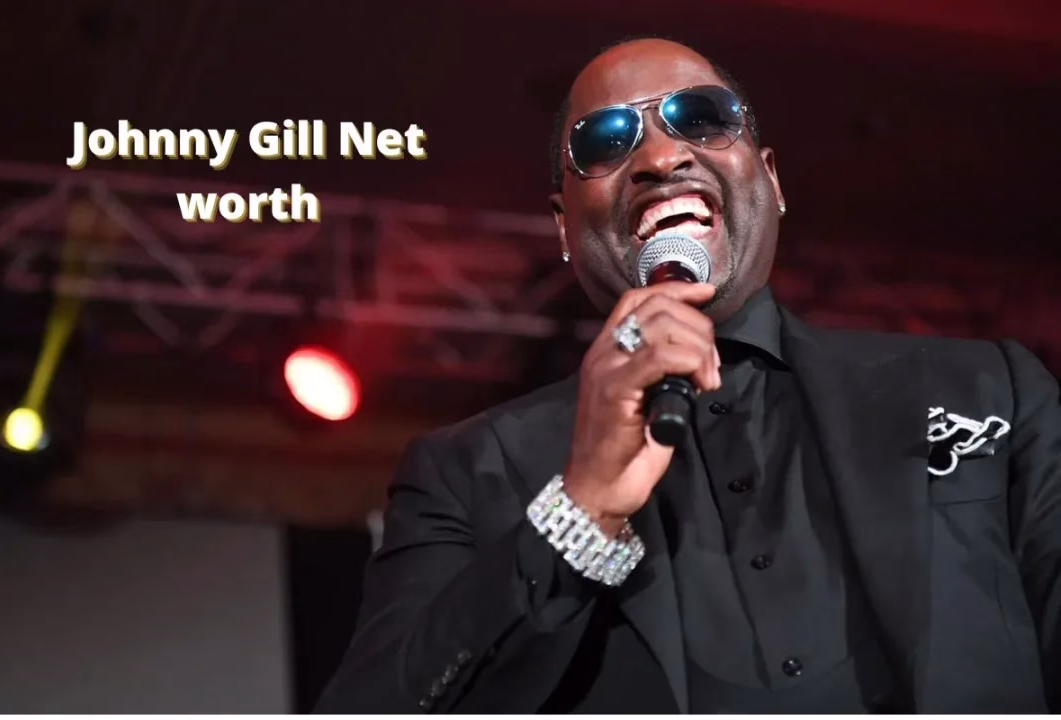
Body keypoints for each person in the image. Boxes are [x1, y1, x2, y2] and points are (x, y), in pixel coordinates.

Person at [314, 38, 1060, 713]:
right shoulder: (466, 471)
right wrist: (580, 509)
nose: (662, 156)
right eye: (606, 141)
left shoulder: (987, 389)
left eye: (701, 119)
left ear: (771, 180)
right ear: (564, 228)